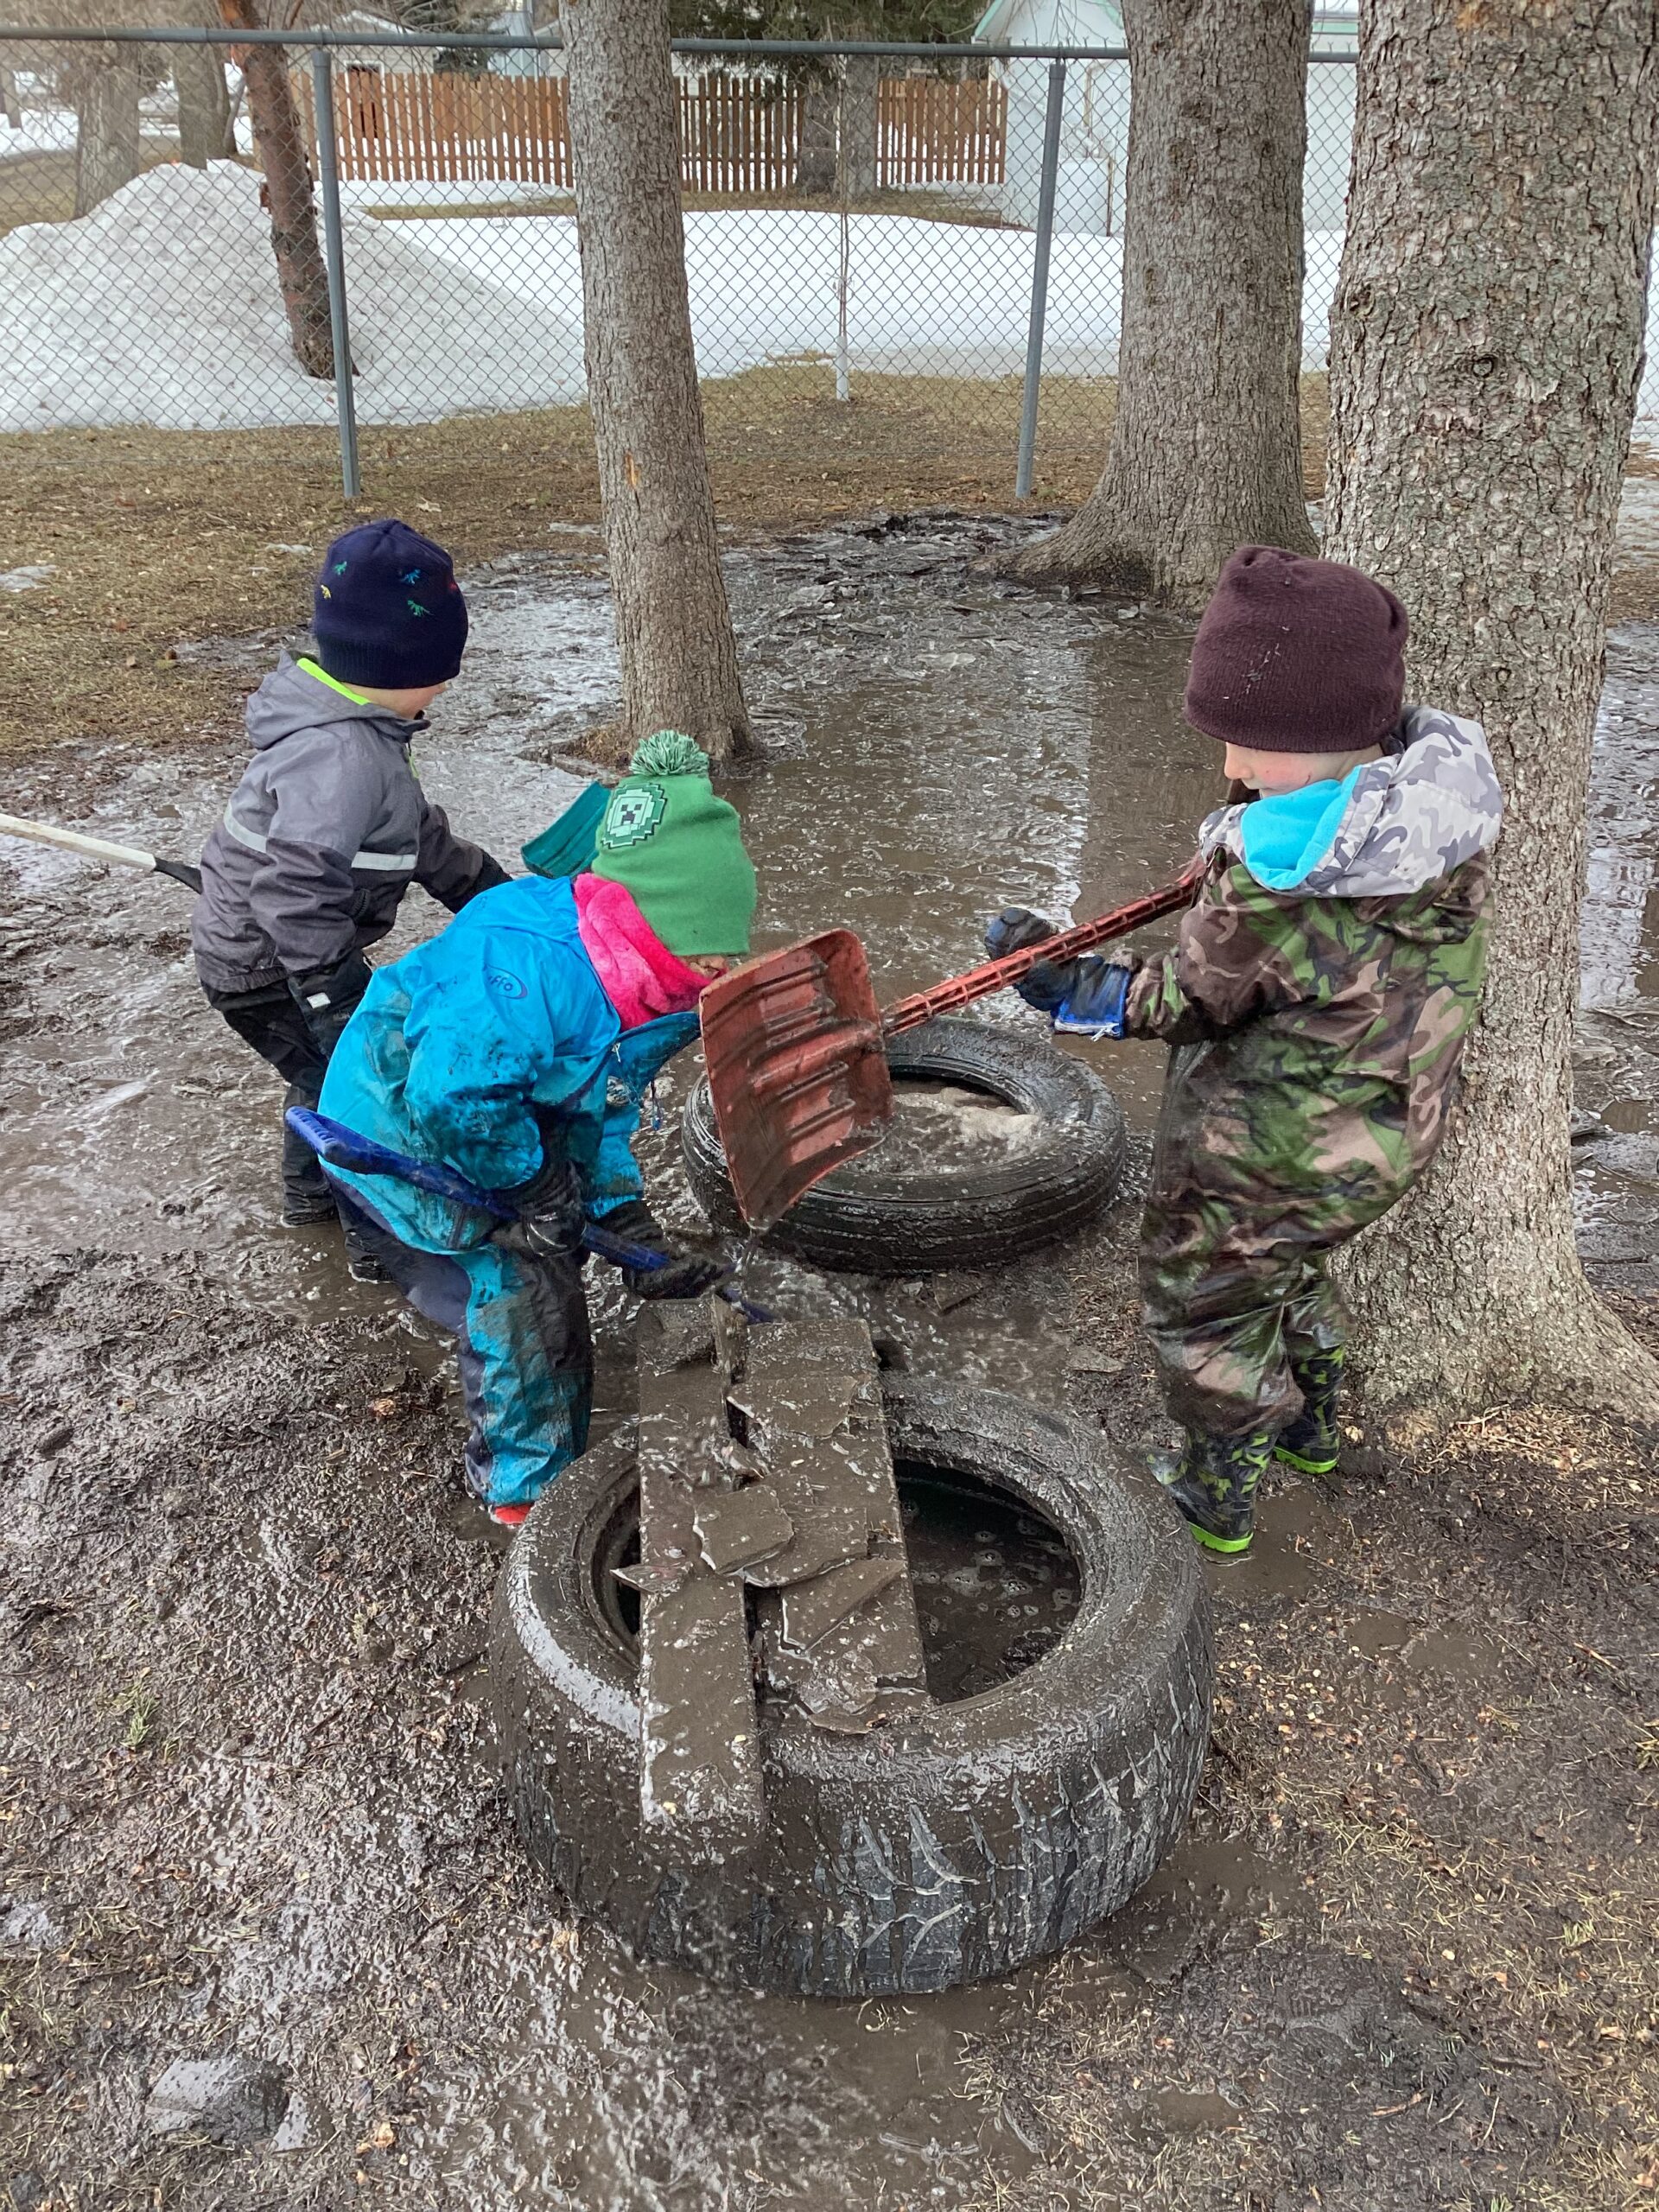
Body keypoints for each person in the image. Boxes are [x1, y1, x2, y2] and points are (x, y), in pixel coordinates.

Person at [987, 546, 1503, 1557]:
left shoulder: (1284, 876)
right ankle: (1312, 1430)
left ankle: (1213, 1491)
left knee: (1205, 1303)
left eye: (1247, 746)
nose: (1228, 768)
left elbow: (1188, 998)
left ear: (1315, 737)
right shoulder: (1429, 819)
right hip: (1380, 1137)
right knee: (1292, 1274)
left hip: (1266, 1150)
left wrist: (1070, 984)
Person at [315, 730, 757, 1527]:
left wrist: (625, 1218)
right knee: (528, 1292)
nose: (723, 977)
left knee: (551, 1229)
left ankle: (410, 1272)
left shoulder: (651, 993)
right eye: (711, 962)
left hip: (496, 1108)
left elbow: (606, 1107)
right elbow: (453, 1099)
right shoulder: (524, 963)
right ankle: (526, 1491)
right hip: (399, 1127)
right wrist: (533, 1187)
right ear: (656, 930)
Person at [190, 520, 510, 1272]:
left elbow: (417, 832)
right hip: (269, 966)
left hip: (283, 950)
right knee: (361, 1094)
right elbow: (294, 889)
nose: (447, 684)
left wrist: (490, 896)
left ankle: (306, 1199)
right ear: (399, 662)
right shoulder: (340, 755)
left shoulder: (367, 732)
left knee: (318, 1078)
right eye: (442, 669)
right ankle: (382, 1248)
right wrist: (335, 992)